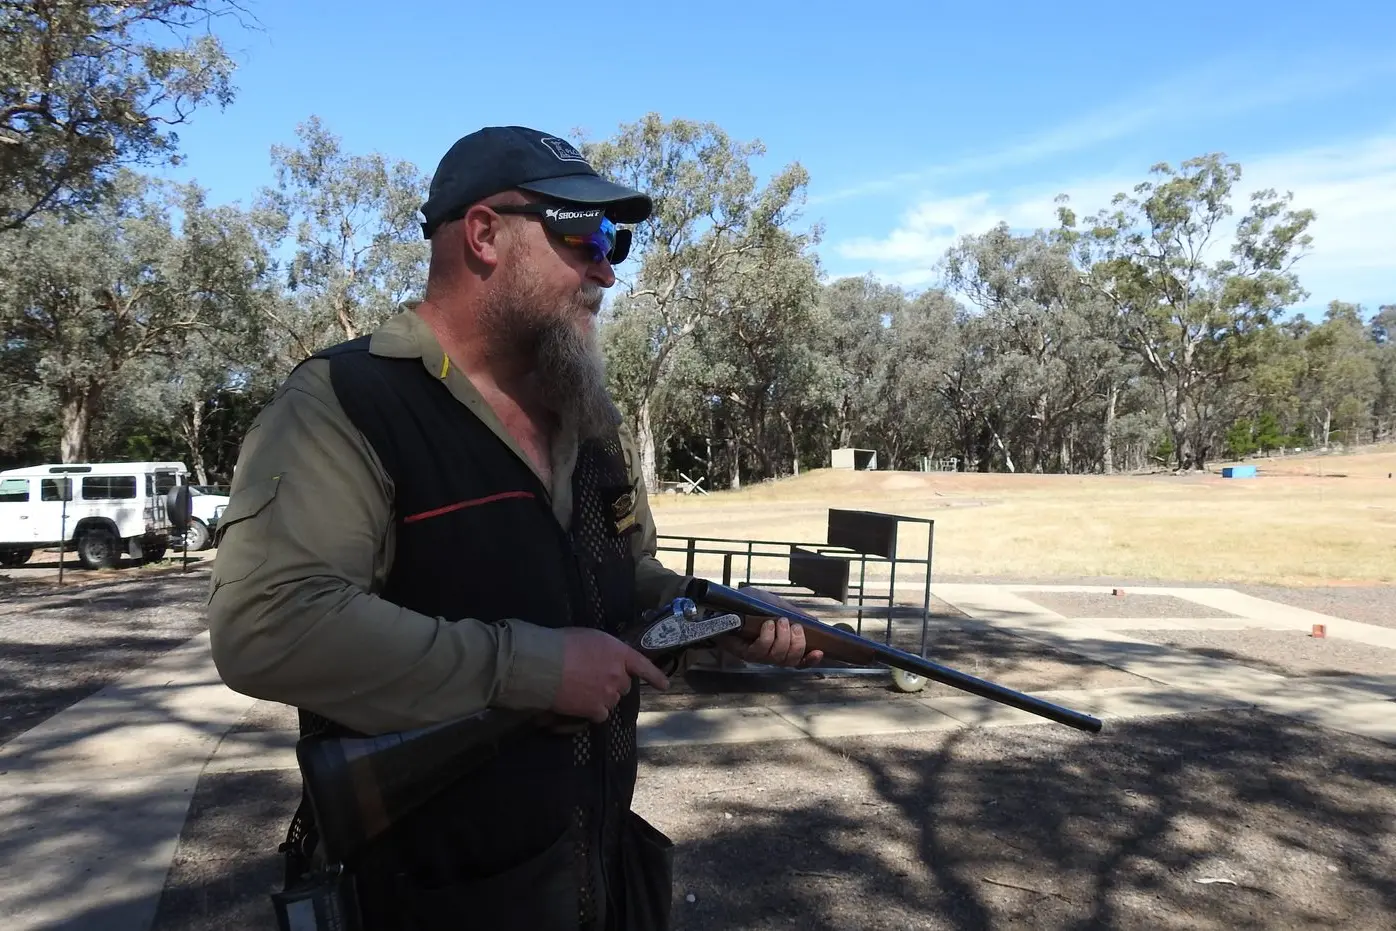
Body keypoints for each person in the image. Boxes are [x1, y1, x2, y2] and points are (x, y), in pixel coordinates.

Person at [204, 125, 822, 931]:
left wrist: (712, 615)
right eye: (583, 232)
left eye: (617, 239)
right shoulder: (346, 404)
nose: (607, 265)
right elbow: (268, 624)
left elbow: (620, 574)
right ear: (485, 234)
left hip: (596, 876)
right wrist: (530, 667)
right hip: (425, 902)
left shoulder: (584, 419)